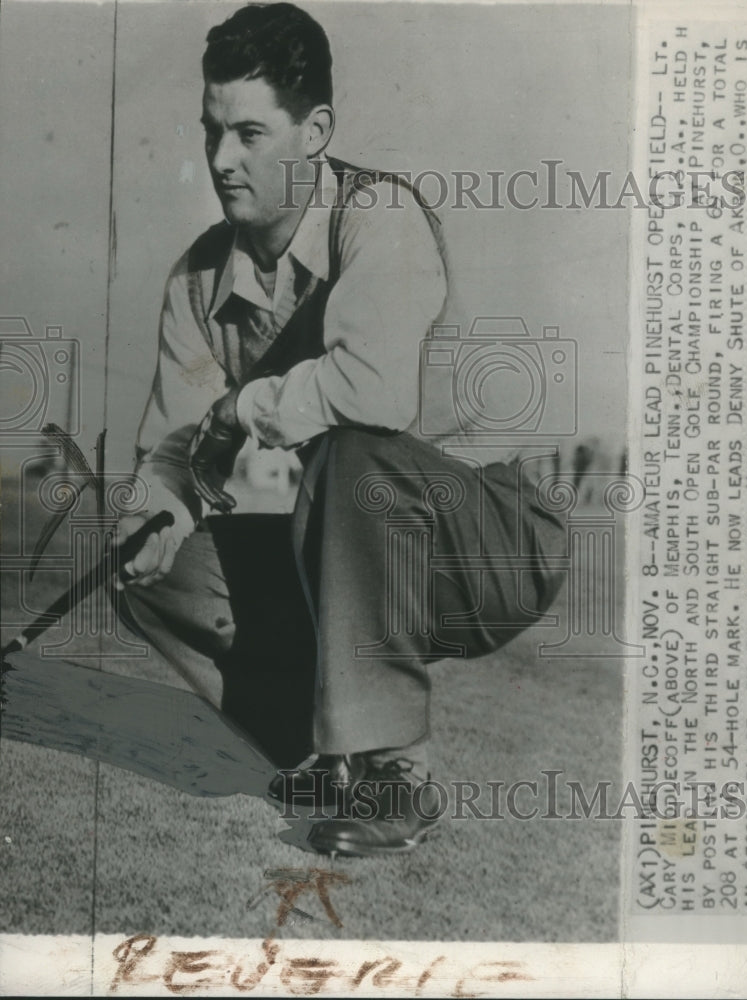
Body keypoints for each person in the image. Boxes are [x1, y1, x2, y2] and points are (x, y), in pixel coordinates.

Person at [114, 1, 566, 857]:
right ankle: (314, 753)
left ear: (316, 129)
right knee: (149, 560)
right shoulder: (196, 278)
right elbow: (171, 456)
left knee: (356, 453)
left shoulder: (379, 218)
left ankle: (396, 773)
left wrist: (240, 408)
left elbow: (375, 391)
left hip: (491, 544)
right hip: (350, 548)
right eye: (211, 131)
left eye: (249, 134)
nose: (219, 160)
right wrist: (161, 515)